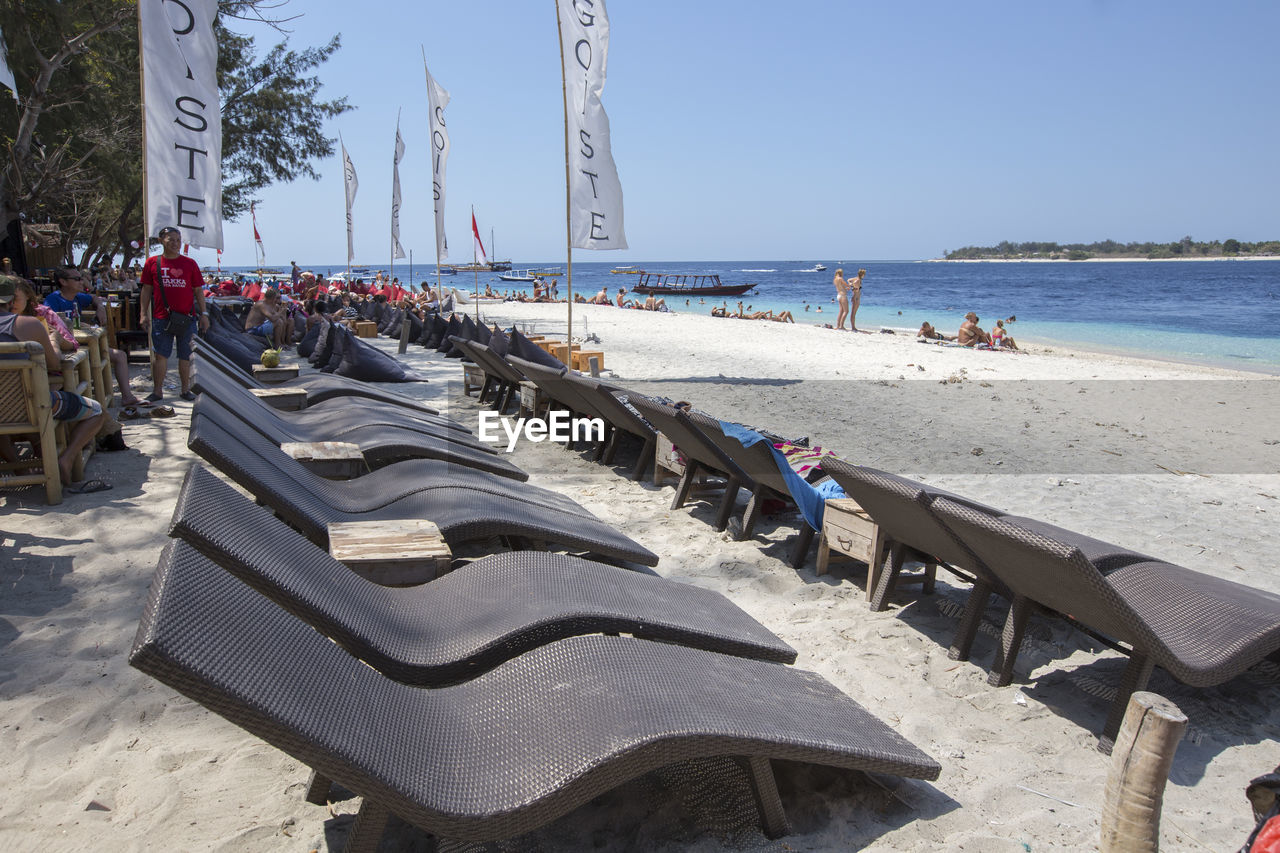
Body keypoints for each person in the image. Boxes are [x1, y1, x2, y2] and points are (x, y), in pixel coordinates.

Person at [0, 276, 110, 491]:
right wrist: (53, 341)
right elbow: (53, 363)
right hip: (31, 407)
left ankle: (20, 470)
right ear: (12, 299)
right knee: (97, 412)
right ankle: (66, 459)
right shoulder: (27, 324)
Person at [45, 269, 143, 407]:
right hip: (65, 349)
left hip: (83, 343)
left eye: (82, 278)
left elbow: (94, 298)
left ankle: (127, 396)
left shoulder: (78, 297)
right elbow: (49, 325)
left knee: (120, 356)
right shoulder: (53, 300)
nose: (82, 282)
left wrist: (100, 309)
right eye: (77, 279)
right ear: (63, 282)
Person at [139, 225, 209, 402]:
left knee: (185, 355)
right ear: (161, 240)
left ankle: (185, 390)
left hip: (187, 317)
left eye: (178, 240)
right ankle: (157, 391)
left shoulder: (189, 264)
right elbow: (146, 290)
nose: (176, 244)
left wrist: (204, 314)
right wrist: (143, 313)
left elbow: (198, 291)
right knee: (161, 354)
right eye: (171, 240)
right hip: (162, 317)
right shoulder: (152, 263)